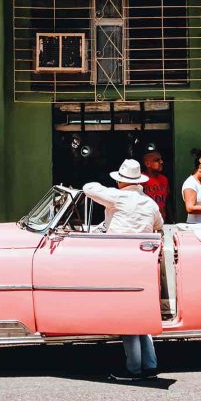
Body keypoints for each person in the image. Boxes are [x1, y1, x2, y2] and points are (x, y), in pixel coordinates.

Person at [83, 159, 163, 381]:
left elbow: (88, 188)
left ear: (120, 181)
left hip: (119, 261)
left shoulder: (116, 197)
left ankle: (134, 369)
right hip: (144, 261)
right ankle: (150, 365)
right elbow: (159, 224)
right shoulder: (150, 204)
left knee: (126, 317)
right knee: (142, 315)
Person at [142, 150, 171, 222]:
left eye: (161, 159)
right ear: (147, 164)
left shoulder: (164, 179)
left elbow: (167, 201)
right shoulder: (141, 179)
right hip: (146, 220)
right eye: (157, 160)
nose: (161, 162)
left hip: (161, 220)